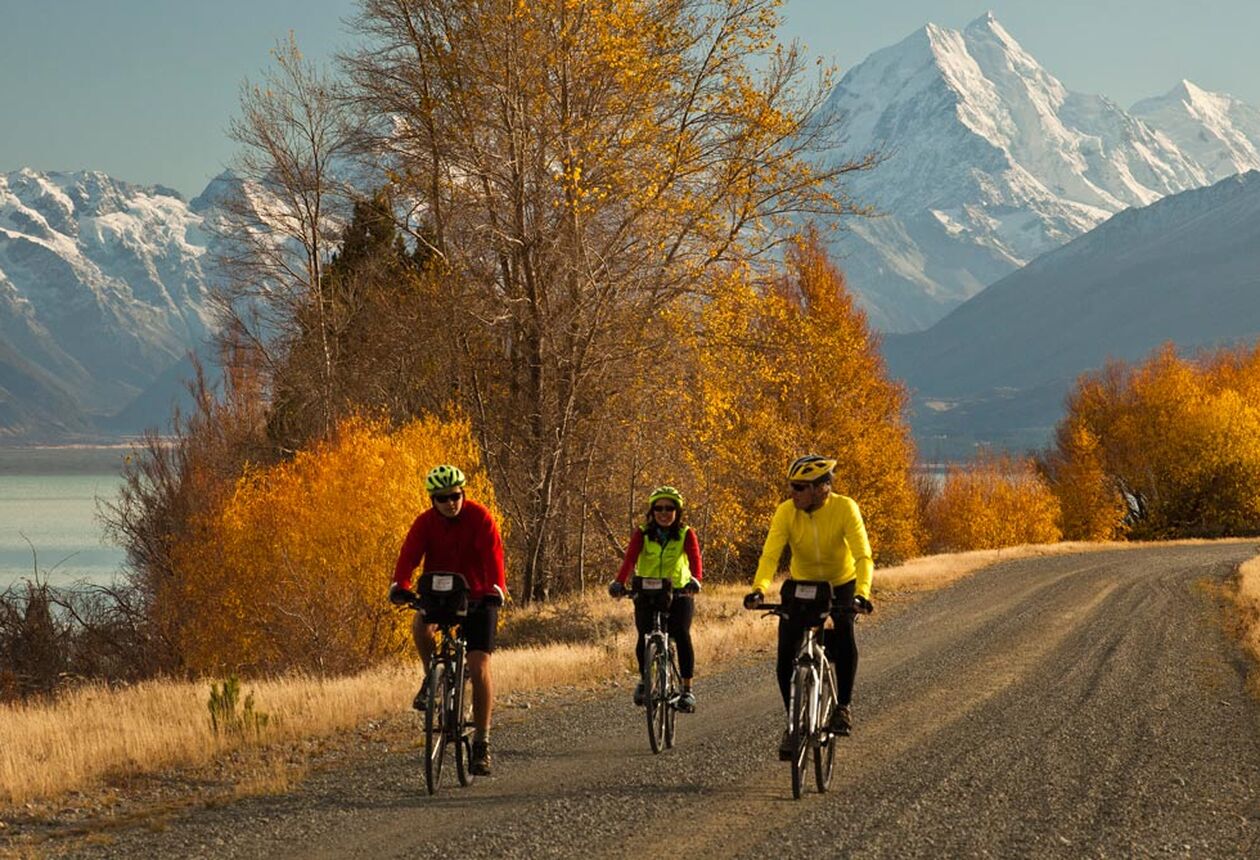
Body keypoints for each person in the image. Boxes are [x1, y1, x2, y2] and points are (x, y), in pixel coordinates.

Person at [743, 455, 873, 759]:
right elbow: (770, 556)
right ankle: (795, 724)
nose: (793, 492)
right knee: (784, 657)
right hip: (801, 586)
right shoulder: (786, 512)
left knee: (843, 636)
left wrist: (861, 595)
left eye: (800, 487)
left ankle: (842, 707)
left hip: (840, 584)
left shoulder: (845, 508)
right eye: (792, 486)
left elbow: (863, 556)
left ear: (822, 488)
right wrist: (759, 588)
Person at [389, 464, 507, 777]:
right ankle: (432, 678)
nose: (450, 502)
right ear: (432, 500)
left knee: (479, 666)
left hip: (480, 596)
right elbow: (409, 556)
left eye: (454, 495)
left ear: (462, 493)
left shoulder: (480, 517)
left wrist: (496, 588)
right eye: (442, 498)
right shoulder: (425, 523)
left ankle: (481, 742)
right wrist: (400, 585)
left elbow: (494, 557)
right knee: (420, 624)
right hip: (440, 594)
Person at [608, 486, 703, 712]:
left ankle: (687, 690)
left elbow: (694, 557)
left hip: (679, 592)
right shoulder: (642, 533)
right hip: (648, 592)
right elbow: (630, 559)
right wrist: (619, 583)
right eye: (659, 508)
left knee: (681, 634)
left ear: (677, 511)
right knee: (644, 635)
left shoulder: (685, 533)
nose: (663, 512)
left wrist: (695, 580)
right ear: (652, 511)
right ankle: (645, 680)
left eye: (669, 508)